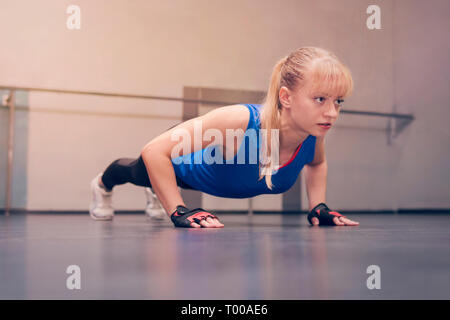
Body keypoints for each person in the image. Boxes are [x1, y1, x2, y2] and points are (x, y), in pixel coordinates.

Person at [89, 47, 360, 228]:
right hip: (176, 163)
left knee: (154, 179)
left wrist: (318, 207)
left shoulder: (313, 133)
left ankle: (158, 190)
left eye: (338, 101)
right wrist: (179, 210)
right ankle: (101, 185)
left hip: (198, 176)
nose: (332, 112)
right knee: (134, 170)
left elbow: (316, 163)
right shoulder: (239, 121)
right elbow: (153, 151)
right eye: (320, 99)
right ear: (286, 97)